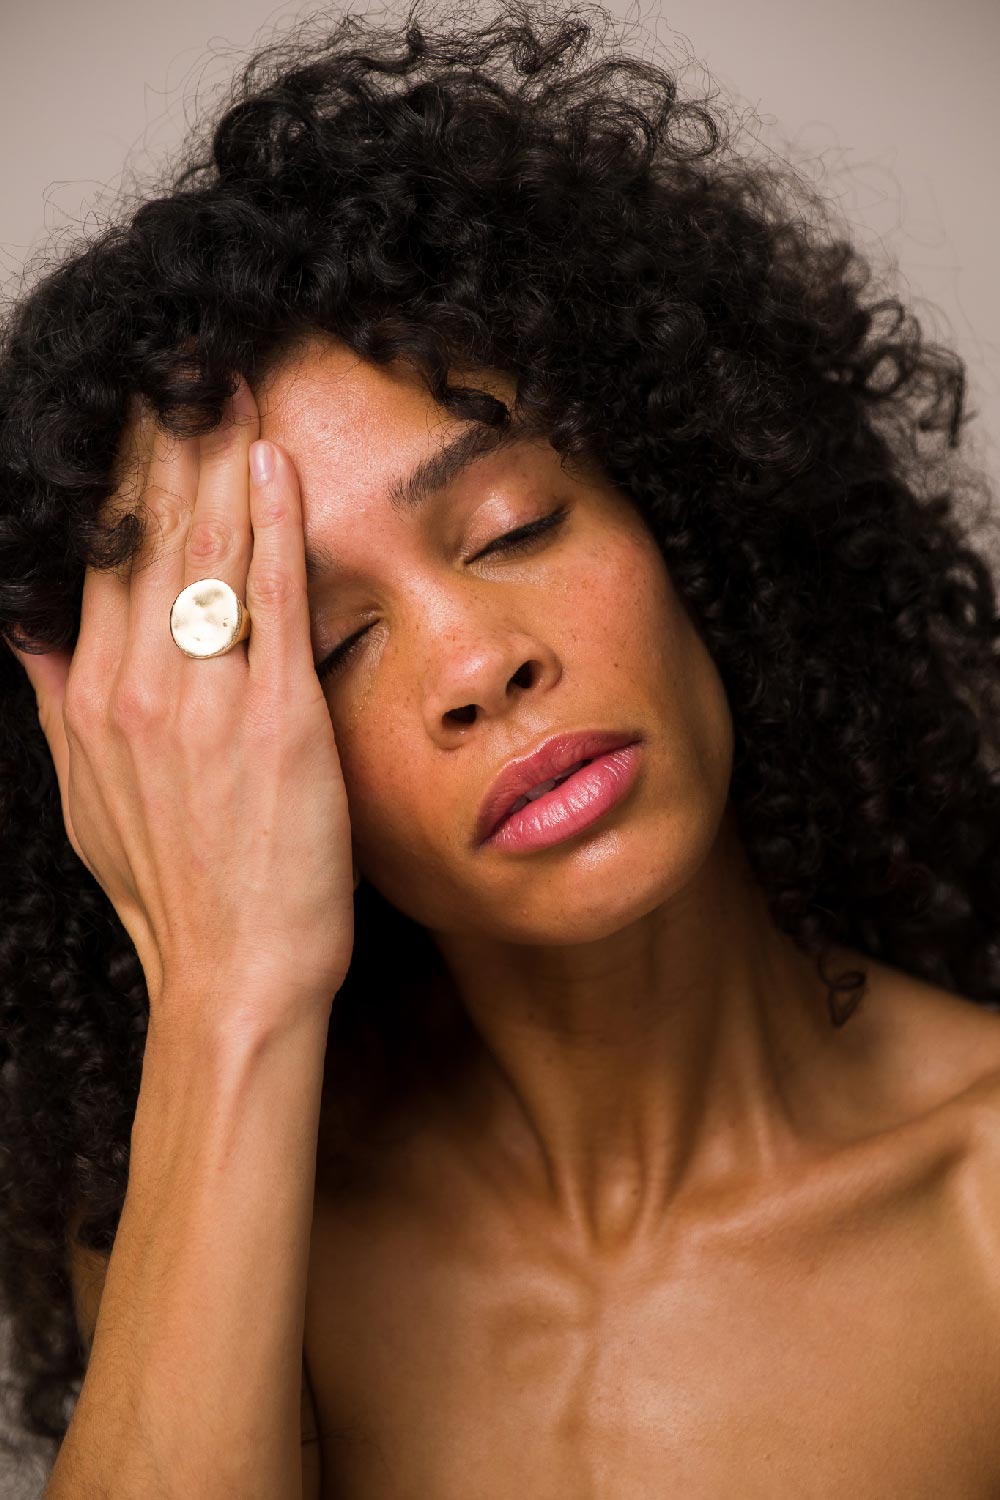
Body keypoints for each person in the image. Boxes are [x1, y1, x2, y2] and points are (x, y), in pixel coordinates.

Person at [2, 3, 1000, 1495]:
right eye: (332, 645)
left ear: (687, 514)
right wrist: (224, 995)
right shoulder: (231, 1224)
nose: (478, 663)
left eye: (512, 527)